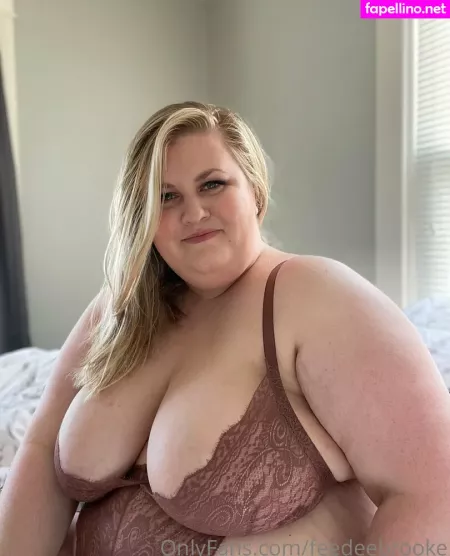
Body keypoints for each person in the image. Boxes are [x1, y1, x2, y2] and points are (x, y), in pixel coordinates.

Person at [1, 101, 449, 556]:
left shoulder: (316, 293)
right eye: (166, 196)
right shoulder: (121, 307)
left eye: (212, 184)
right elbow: (39, 446)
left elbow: (431, 491)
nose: (193, 213)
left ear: (254, 190)